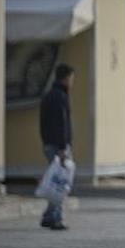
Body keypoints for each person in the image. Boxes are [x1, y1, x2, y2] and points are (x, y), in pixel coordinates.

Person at [39, 63, 74, 230]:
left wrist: (46, 142)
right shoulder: (60, 96)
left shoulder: (48, 95)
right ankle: (56, 218)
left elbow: (43, 123)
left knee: (55, 180)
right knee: (60, 182)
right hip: (59, 146)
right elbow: (61, 123)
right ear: (66, 78)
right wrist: (62, 147)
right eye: (71, 78)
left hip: (49, 143)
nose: (72, 81)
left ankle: (48, 215)